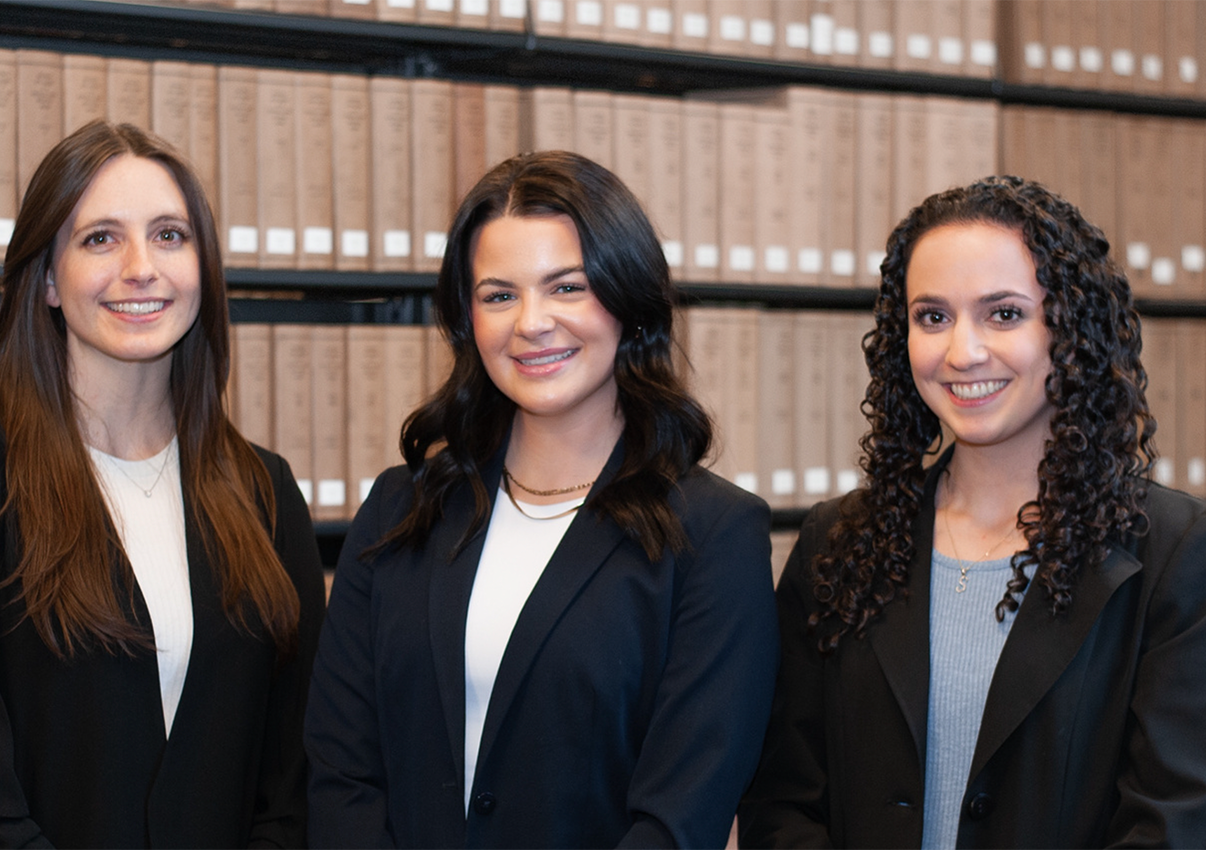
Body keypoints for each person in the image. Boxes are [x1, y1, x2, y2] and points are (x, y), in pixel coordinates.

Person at [305, 150, 778, 848]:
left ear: (627, 300)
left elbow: (683, 815)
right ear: (468, 320)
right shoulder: (401, 509)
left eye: (566, 287)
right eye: (499, 295)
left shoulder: (715, 534)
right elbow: (341, 770)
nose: (531, 322)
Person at [737, 175, 1206, 848]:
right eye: (933, 317)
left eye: (1004, 313)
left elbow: (1174, 822)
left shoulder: (1174, 554)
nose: (962, 352)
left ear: (1068, 330)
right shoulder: (839, 543)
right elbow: (781, 802)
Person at [0, 120, 326, 847]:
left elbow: (293, 779)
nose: (142, 267)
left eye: (170, 235)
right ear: (47, 278)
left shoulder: (264, 493)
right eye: (100, 238)